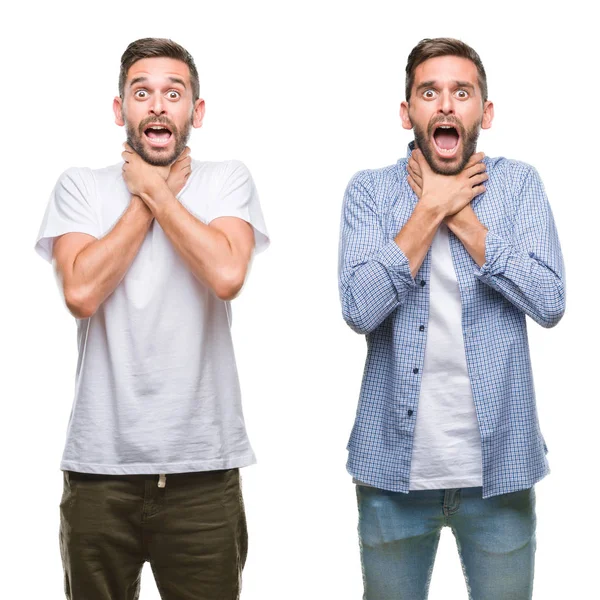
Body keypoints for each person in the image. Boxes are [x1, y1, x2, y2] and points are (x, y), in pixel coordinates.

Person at [35, 37, 269, 600]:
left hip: (204, 472)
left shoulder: (228, 180)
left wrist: (157, 196)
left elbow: (227, 276)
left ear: (197, 111)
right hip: (99, 472)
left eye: (174, 92)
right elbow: (82, 290)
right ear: (121, 110)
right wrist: (148, 196)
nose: (158, 105)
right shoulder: (81, 187)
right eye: (142, 93)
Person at [338, 37, 565, 600]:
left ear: (483, 113)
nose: (445, 105)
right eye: (429, 92)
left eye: (461, 92)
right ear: (406, 111)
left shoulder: (519, 187)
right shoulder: (369, 192)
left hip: (501, 475)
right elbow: (360, 309)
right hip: (391, 477)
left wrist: (460, 215)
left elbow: (551, 301)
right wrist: (429, 208)